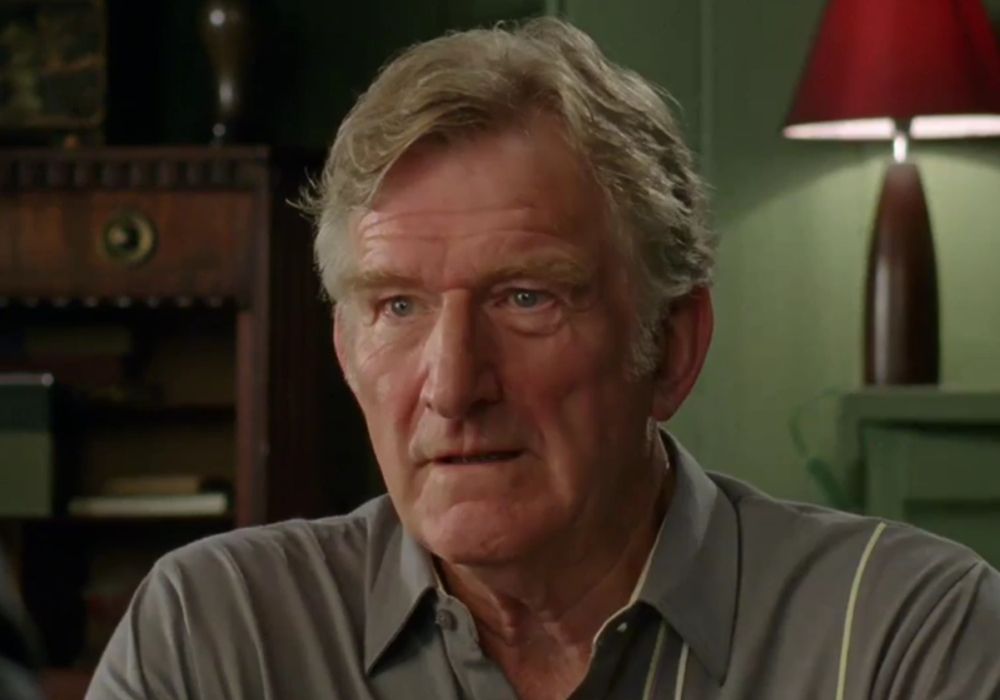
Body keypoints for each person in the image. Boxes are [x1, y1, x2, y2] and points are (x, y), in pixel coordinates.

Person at [87, 18, 1000, 700]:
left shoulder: (899, 634)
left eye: (526, 300)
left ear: (671, 348)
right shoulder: (216, 637)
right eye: (398, 307)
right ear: (347, 352)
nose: (453, 387)